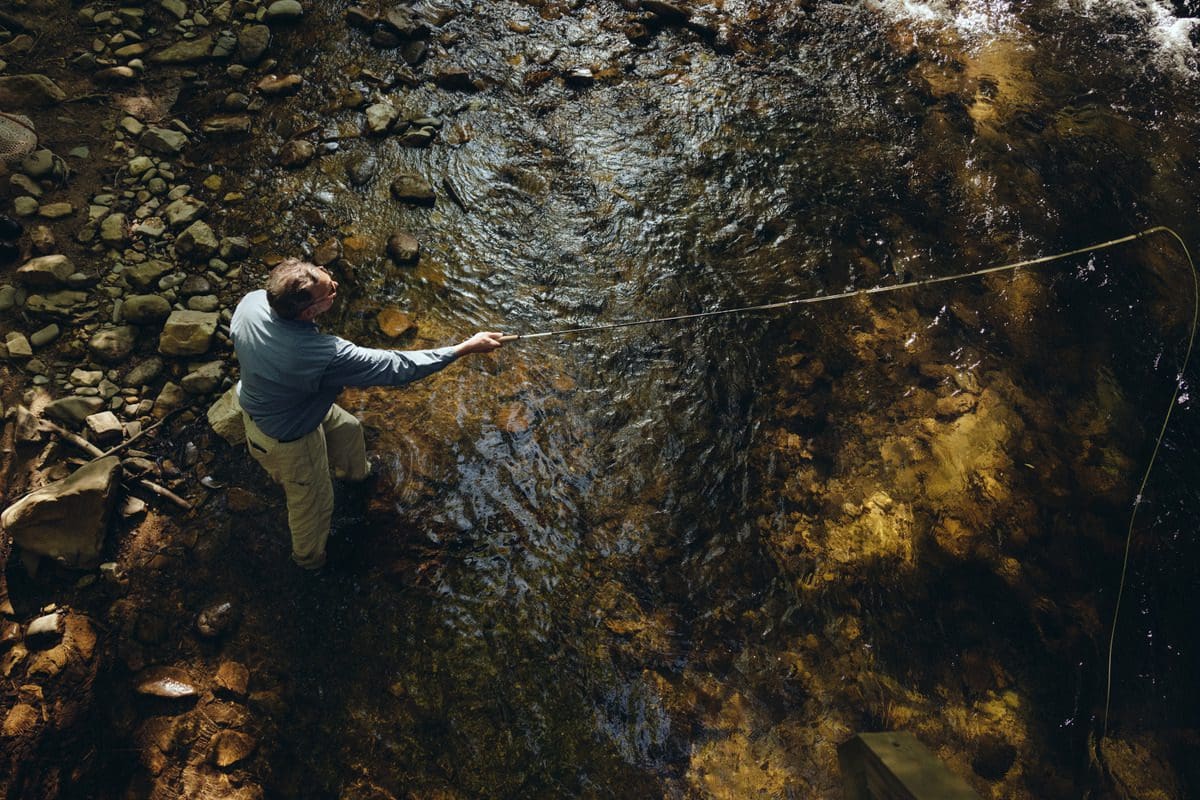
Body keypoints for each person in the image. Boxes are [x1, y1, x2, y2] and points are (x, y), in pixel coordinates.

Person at [230, 258, 504, 570]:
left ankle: (357, 478)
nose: (334, 285)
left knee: (348, 430)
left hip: (280, 400)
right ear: (309, 312)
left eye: (327, 275)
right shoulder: (324, 354)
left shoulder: (252, 302)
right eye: (329, 291)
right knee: (314, 506)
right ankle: (309, 563)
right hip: (287, 434)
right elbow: (397, 366)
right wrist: (464, 348)